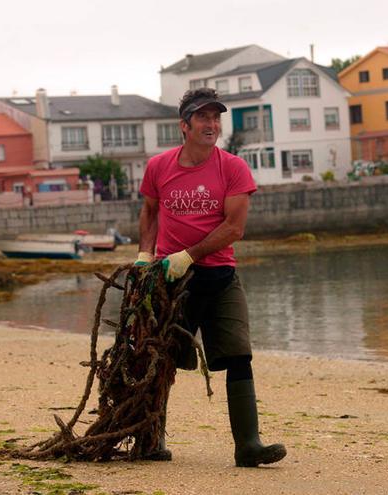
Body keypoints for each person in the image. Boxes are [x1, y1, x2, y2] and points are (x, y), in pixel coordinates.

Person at [134, 88, 287, 467]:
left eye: (216, 118)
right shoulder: (159, 167)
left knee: (239, 356)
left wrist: (189, 255)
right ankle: (150, 442)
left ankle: (248, 445)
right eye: (203, 118)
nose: (212, 124)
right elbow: (150, 212)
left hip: (220, 278)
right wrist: (144, 256)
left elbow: (234, 227)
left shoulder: (232, 167)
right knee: (159, 358)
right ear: (184, 125)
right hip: (172, 284)